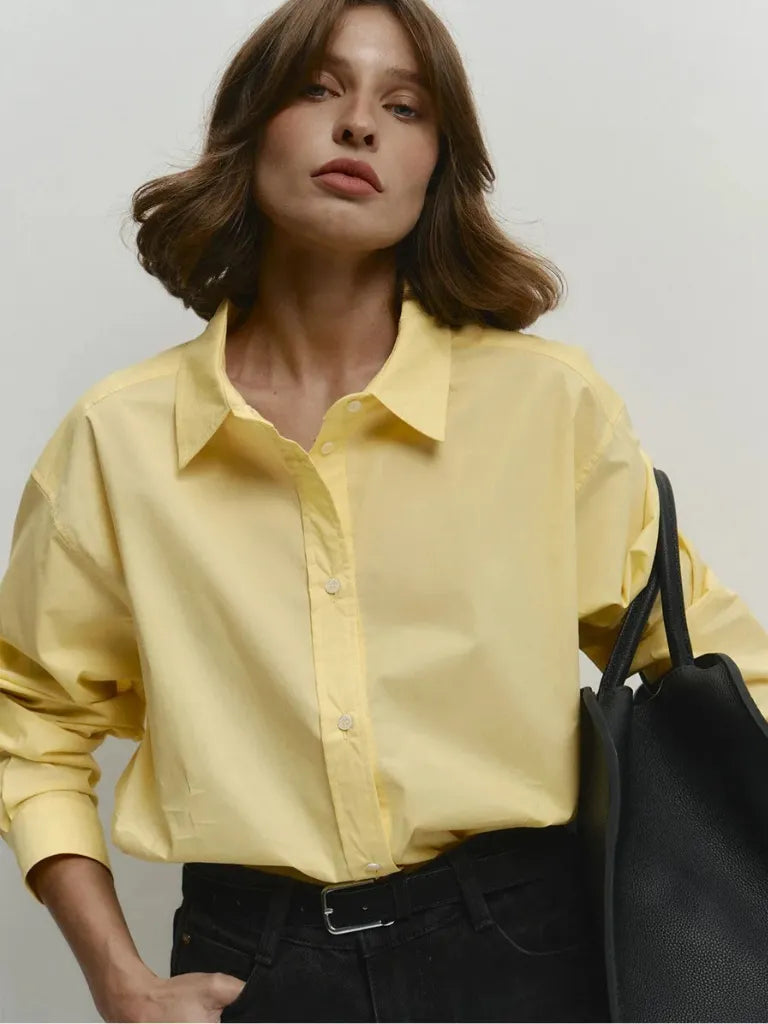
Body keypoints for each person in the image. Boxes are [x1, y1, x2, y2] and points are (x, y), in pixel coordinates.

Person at [2, 0, 768, 1021]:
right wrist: (119, 980)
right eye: (318, 88)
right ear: (250, 130)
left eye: (404, 107)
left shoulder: (545, 407)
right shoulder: (119, 439)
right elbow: (33, 717)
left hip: (530, 955)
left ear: (436, 167)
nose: (359, 123)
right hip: (253, 968)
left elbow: (702, 659)